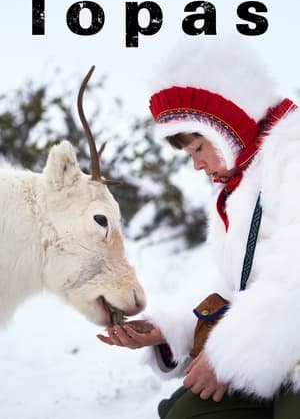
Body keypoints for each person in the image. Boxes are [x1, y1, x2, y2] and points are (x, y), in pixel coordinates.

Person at [97, 39, 300, 418]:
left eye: (198, 148)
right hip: (271, 352)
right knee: (186, 414)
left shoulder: (293, 155)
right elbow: (238, 284)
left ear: (229, 122)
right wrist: (170, 329)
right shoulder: (240, 185)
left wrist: (226, 355)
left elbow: (294, 280)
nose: (197, 165)